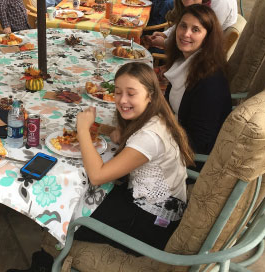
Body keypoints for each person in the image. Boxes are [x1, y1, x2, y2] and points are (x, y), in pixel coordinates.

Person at [10, 63, 194, 272]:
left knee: (59, 210)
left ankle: (44, 265)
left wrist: (82, 130)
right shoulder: (156, 118)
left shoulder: (149, 137)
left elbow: (97, 176)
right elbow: (124, 140)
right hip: (151, 207)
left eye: (131, 94)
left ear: (150, 95)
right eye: (117, 92)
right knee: (75, 193)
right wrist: (116, 132)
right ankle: (44, 261)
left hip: (150, 225)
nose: (122, 100)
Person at [164, 4, 232, 155]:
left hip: (187, 158)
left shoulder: (210, 81)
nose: (185, 34)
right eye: (183, 26)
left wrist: (156, 138)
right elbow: (167, 105)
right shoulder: (183, 61)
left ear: (207, 37)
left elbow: (198, 142)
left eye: (195, 30)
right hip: (173, 133)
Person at [143, 0, 214, 51]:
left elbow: (189, 50)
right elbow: (175, 27)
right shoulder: (189, 9)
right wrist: (163, 34)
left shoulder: (202, 17)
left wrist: (165, 42)